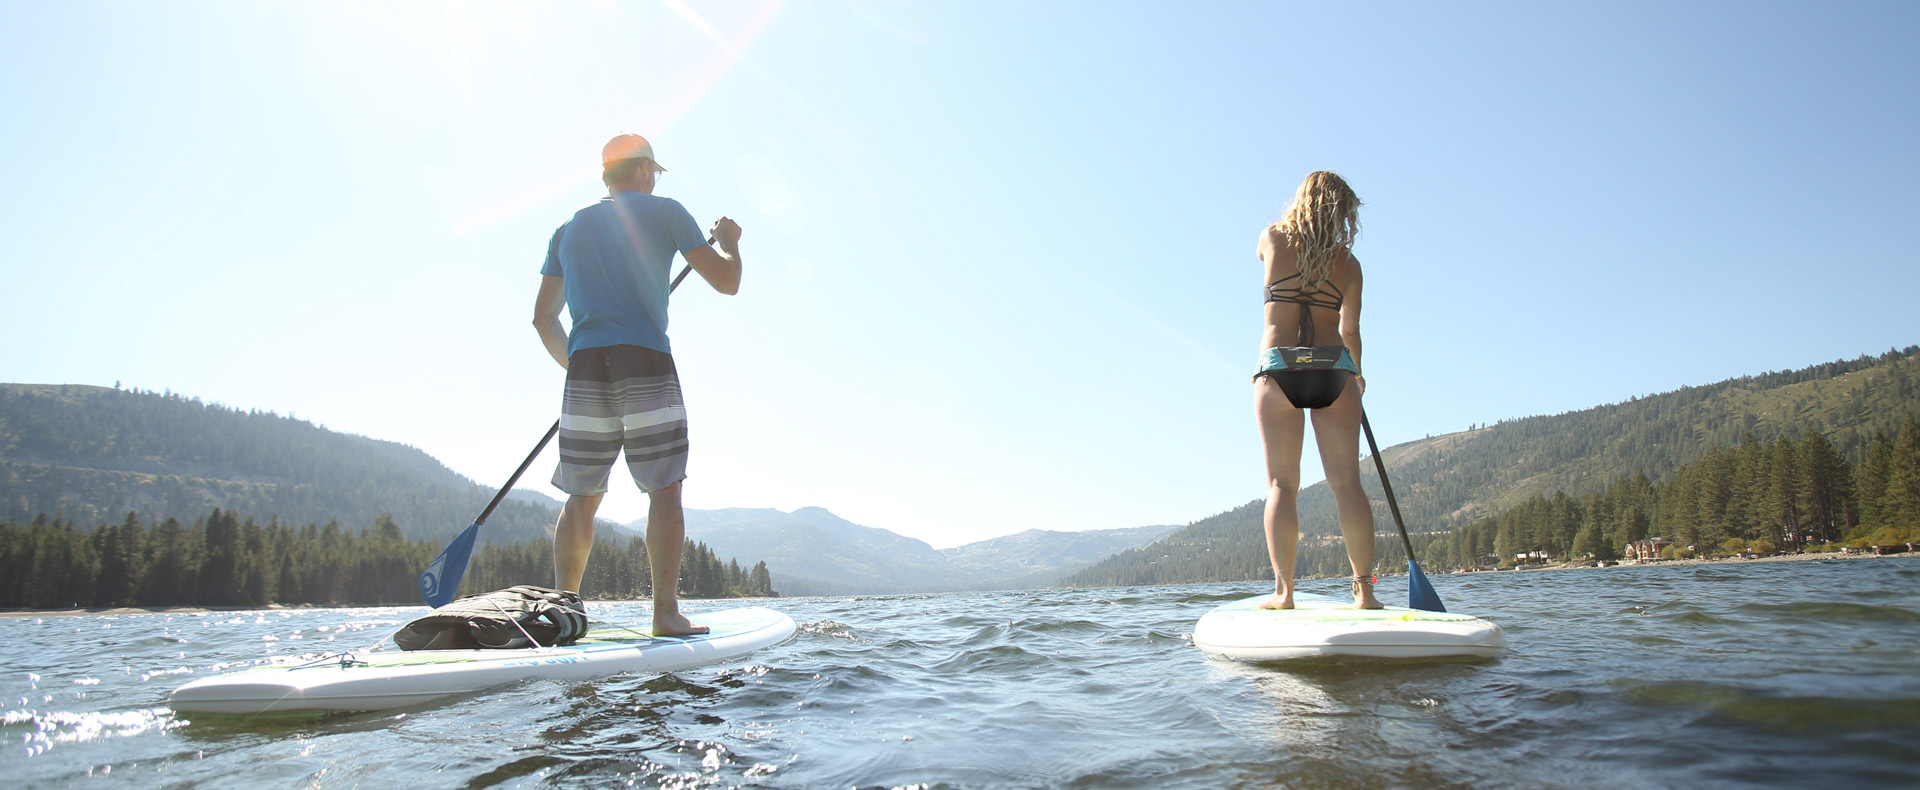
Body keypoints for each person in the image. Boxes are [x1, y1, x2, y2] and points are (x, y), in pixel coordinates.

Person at [532, 133, 742, 635]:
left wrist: (577, 365)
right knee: (664, 490)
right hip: (646, 359)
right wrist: (730, 245)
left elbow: (543, 319)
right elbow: (726, 281)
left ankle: (566, 613)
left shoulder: (568, 227)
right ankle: (665, 615)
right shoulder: (666, 212)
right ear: (645, 169)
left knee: (581, 497)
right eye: (655, 171)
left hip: (585, 367)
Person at [1252, 170, 1382, 610]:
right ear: (1344, 213)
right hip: (1334, 368)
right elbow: (1351, 331)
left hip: (1280, 366)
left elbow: (1261, 256)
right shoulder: (1349, 265)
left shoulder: (1272, 238)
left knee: (1281, 485)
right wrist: (1357, 377)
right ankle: (1364, 593)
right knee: (1348, 485)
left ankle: (1284, 594)